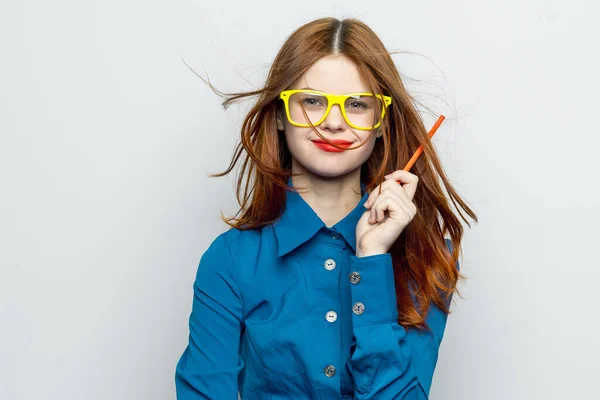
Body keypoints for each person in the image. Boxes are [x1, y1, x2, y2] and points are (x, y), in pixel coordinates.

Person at [175, 17, 477, 400]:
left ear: (381, 122)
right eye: (313, 101)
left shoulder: (427, 259)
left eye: (356, 104)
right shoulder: (231, 259)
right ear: (281, 114)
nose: (334, 122)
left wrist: (371, 259)